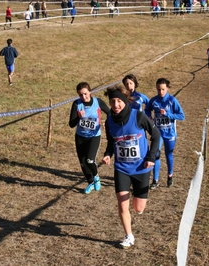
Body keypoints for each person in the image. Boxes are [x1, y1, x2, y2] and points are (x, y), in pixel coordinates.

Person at [102, 85, 160, 248]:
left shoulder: (138, 116)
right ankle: (128, 235)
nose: (116, 105)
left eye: (119, 101)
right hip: (122, 168)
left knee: (138, 208)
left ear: (125, 101)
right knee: (122, 203)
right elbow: (111, 141)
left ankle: (138, 199)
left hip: (141, 167)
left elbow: (155, 135)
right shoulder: (109, 122)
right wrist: (108, 154)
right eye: (113, 102)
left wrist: (151, 157)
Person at [69, 82, 110, 194]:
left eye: (85, 94)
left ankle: (96, 177)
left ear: (90, 92)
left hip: (94, 136)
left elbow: (110, 113)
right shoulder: (77, 104)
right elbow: (71, 124)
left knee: (89, 160)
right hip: (80, 137)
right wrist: (78, 117)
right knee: (83, 163)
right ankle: (90, 182)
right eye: (81, 95)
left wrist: (107, 122)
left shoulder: (98, 102)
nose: (84, 97)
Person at [144, 78, 185, 189]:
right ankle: (155, 180)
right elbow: (147, 110)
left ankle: (170, 176)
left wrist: (168, 114)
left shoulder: (172, 100)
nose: (161, 92)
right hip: (158, 133)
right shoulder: (154, 100)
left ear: (167, 88)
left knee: (169, 155)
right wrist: (149, 116)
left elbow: (181, 115)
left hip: (170, 133)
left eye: (163, 89)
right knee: (156, 154)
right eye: (158, 90)